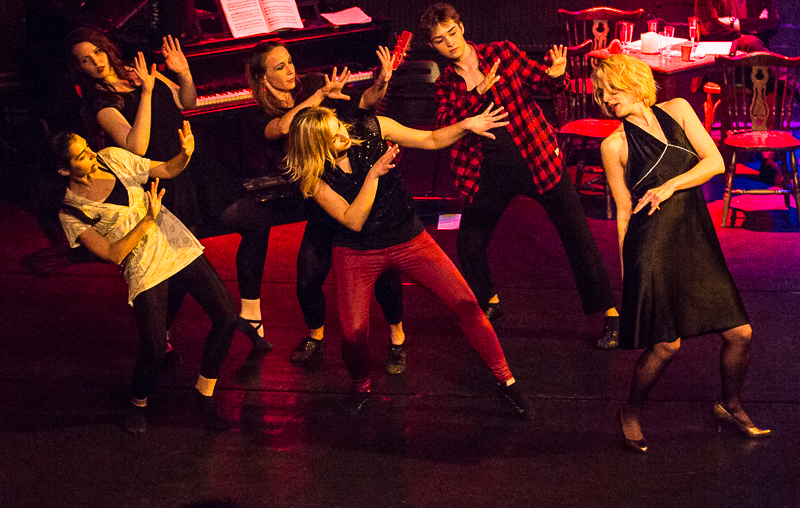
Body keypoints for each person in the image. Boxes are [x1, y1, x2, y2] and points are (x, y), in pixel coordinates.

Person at [285, 105, 535, 418]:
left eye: (339, 126)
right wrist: (373, 175)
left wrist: (466, 124)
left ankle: (507, 382)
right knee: (354, 334)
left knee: (467, 304)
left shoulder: (372, 128)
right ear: (317, 148)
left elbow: (431, 139)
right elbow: (353, 220)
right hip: (356, 251)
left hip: (407, 237)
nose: (343, 134)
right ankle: (362, 387)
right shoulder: (314, 178)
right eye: (332, 136)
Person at [593, 54, 770, 452]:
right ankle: (630, 411)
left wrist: (670, 185)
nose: (606, 99)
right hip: (650, 246)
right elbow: (624, 211)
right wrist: (627, 272)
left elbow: (715, 162)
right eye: (601, 94)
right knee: (666, 345)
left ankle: (729, 405)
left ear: (634, 82)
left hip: (695, 239)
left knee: (740, 333)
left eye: (611, 89)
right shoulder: (613, 145)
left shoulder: (679, 109)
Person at [417, 3, 621, 349]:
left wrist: (556, 75)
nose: (450, 43)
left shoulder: (501, 53)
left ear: (461, 27)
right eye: (440, 40)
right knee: (469, 244)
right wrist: (477, 95)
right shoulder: (446, 83)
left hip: (537, 159)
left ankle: (611, 314)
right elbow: (443, 124)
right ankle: (489, 301)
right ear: (432, 45)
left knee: (578, 237)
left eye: (452, 33)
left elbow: (547, 82)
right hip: (487, 171)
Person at [67, 28, 274, 355]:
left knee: (256, 221)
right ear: (79, 68)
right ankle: (160, 334)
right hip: (163, 178)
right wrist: (146, 94)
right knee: (181, 261)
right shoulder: (102, 104)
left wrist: (184, 72)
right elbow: (136, 146)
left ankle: (250, 311)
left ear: (107, 50)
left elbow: (187, 101)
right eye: (85, 60)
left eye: (97, 52)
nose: (95, 62)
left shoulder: (138, 72)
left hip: (195, 167)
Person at [54, 121, 236, 434]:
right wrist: (146, 220)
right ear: (63, 170)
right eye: (81, 156)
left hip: (175, 243)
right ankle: (138, 402)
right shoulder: (71, 211)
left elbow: (165, 169)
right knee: (154, 350)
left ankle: (204, 392)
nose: (92, 154)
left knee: (227, 317)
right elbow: (113, 253)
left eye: (87, 147)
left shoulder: (113, 158)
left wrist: (184, 155)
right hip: (143, 265)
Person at [245, 41, 409, 373]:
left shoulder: (314, 83)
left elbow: (364, 104)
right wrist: (319, 97)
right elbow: (283, 127)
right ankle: (315, 336)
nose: (290, 70)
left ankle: (397, 338)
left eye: (290, 62)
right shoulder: (260, 112)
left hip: (354, 190)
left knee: (384, 276)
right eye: (280, 67)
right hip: (321, 201)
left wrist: (381, 82)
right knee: (307, 279)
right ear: (262, 78)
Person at [695, 0, 778, 52]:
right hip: (724, 45)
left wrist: (735, 23)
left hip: (758, 47)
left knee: (754, 44)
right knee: (752, 42)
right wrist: (743, 34)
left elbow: (773, 23)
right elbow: (709, 26)